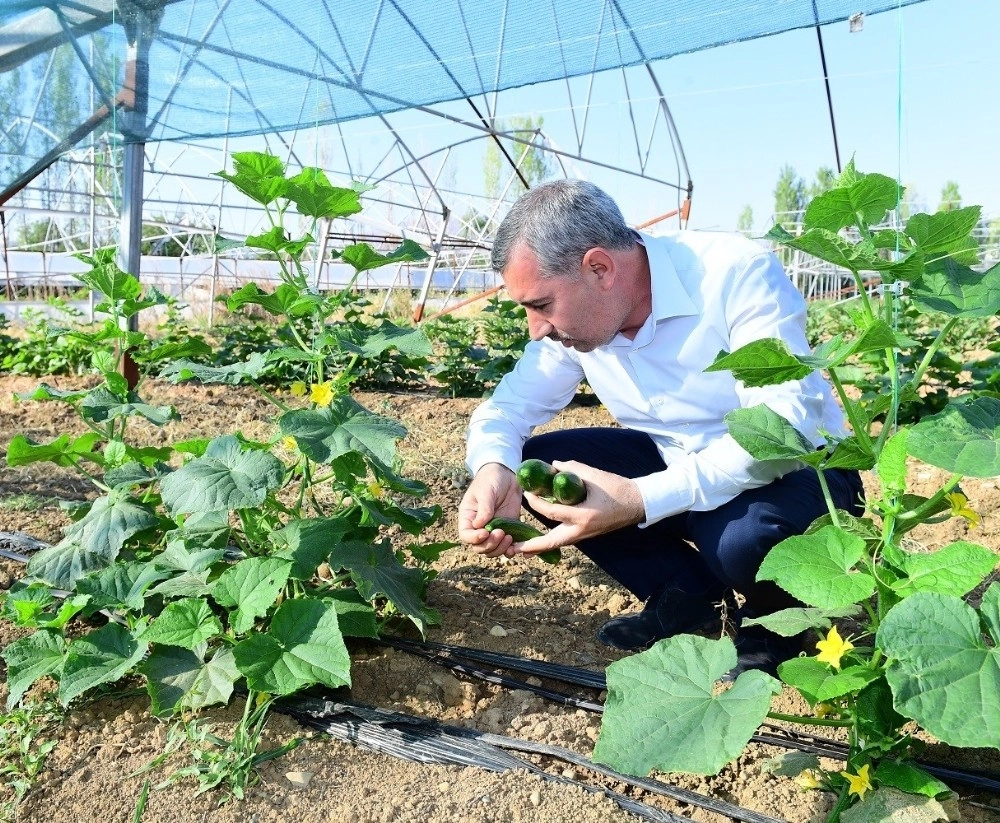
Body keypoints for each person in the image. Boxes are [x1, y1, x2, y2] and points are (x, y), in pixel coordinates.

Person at [456, 179, 865, 678]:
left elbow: (782, 429)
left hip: (802, 472)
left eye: (541, 304)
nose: (535, 328)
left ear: (599, 268)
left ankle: (775, 621)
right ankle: (684, 595)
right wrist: (492, 468)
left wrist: (640, 499)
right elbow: (507, 410)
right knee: (534, 470)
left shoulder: (732, 273)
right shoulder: (574, 324)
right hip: (675, 459)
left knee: (742, 537)